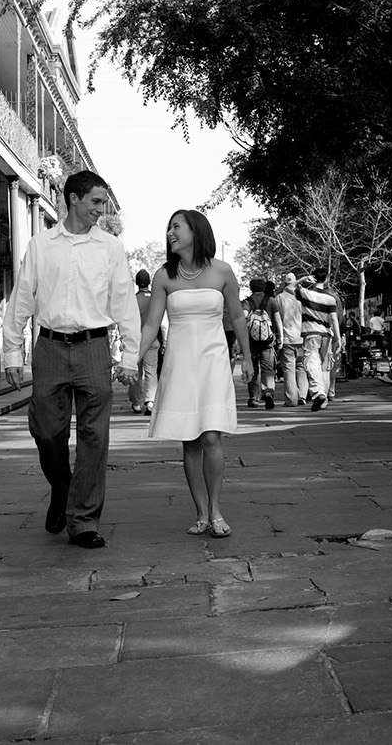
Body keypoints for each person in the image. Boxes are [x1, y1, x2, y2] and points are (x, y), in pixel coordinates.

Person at [1, 170, 140, 550]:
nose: (101, 210)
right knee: (47, 431)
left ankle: (83, 520)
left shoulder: (110, 248)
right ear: (73, 199)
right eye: (96, 202)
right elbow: (22, 299)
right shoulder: (41, 245)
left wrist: (129, 355)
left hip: (94, 348)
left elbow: (124, 302)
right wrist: (12, 350)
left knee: (95, 437)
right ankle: (62, 488)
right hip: (49, 348)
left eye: (104, 203)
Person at [139, 209, 251, 538]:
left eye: (176, 226)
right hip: (179, 362)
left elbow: (238, 317)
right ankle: (201, 512)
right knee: (190, 439)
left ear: (196, 231)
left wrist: (246, 356)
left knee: (212, 436)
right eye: (169, 227)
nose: (170, 233)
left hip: (214, 361)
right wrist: (133, 356)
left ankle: (216, 510)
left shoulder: (223, 272)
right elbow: (150, 324)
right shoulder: (164, 276)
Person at [297, 268, 340, 411]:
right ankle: (325, 399)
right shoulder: (331, 298)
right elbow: (334, 319)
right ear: (326, 279)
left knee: (311, 364)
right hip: (327, 335)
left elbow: (290, 287)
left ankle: (319, 394)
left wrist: (303, 279)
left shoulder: (305, 293)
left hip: (311, 334)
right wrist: (338, 339)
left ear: (313, 278)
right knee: (325, 366)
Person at [128, 269, 164, 415]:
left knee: (135, 371)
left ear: (137, 283)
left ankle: (137, 402)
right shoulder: (156, 299)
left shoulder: (133, 300)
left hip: (136, 340)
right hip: (153, 340)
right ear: (149, 282)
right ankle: (150, 401)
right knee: (151, 372)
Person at [241, 277, 278, 410]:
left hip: (251, 341)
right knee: (268, 368)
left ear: (251, 288)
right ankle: (268, 392)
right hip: (268, 341)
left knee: (254, 369)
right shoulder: (272, 301)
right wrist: (280, 336)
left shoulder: (247, 302)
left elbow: (244, 317)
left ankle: (253, 398)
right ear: (263, 287)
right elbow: (278, 320)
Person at [275, 272, 307, 407]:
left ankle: (291, 399)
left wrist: (279, 338)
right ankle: (302, 396)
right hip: (302, 337)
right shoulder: (303, 297)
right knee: (302, 367)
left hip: (287, 338)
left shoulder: (279, 298)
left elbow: (277, 319)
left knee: (289, 369)